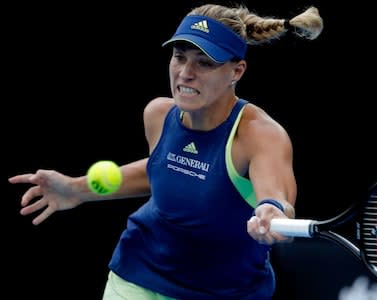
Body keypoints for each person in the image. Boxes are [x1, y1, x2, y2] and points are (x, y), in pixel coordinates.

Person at [9, 3, 323, 299]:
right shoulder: (158, 114)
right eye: (179, 56)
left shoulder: (259, 134)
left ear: (237, 71)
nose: (186, 72)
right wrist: (77, 189)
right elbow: (164, 170)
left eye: (205, 62)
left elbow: (277, 196)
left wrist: (272, 211)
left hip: (228, 291)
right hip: (138, 275)